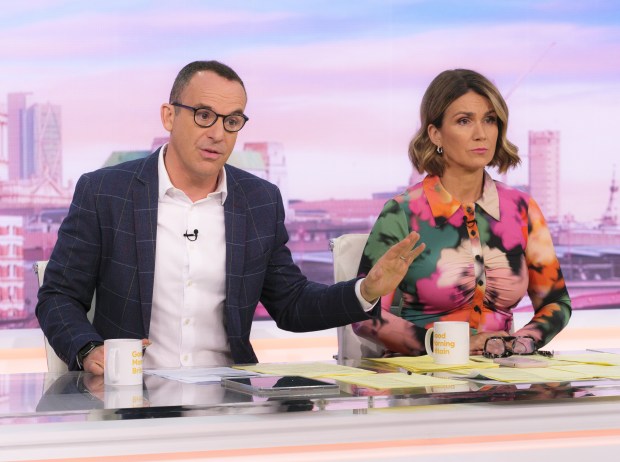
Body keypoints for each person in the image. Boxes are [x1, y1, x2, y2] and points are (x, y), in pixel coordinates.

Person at [36, 60, 425, 374]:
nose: (218, 133)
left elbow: (290, 304)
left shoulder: (259, 201)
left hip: (229, 395)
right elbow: (58, 296)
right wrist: (89, 349)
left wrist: (367, 289)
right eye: (204, 115)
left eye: (232, 120)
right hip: (130, 395)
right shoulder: (106, 192)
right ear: (169, 116)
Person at [355, 69, 571, 356]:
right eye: (464, 121)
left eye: (490, 120)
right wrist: (451, 346)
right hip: (424, 380)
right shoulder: (402, 212)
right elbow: (363, 314)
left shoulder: (522, 208)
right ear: (435, 134)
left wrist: (522, 341)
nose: (480, 133)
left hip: (501, 381)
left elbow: (555, 301)